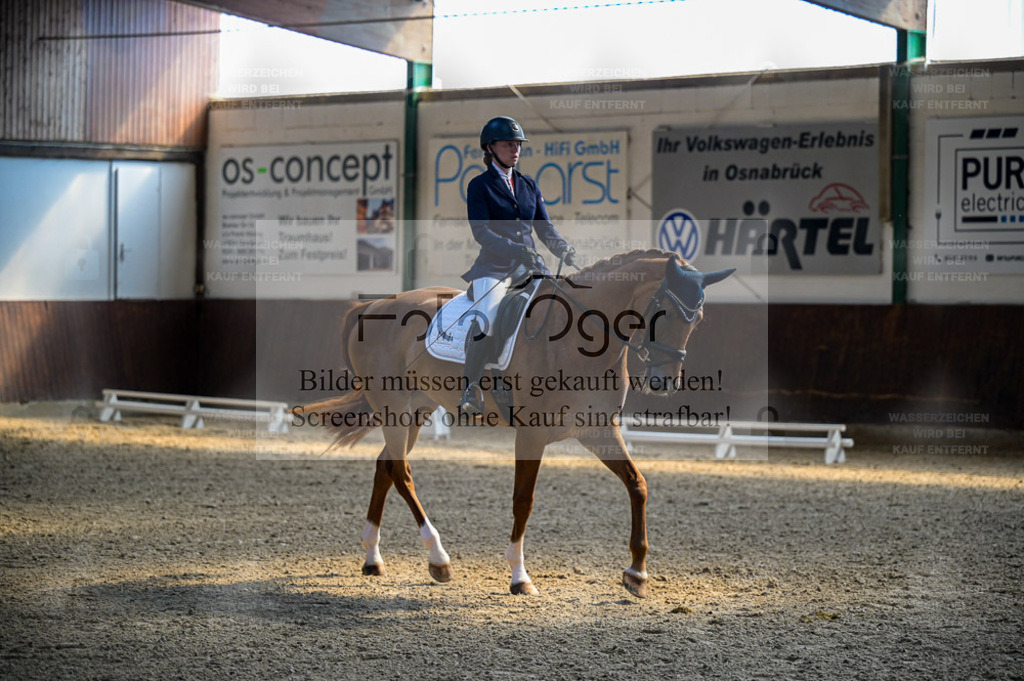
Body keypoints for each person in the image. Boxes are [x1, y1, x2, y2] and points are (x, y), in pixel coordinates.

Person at [457, 116, 576, 415]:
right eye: (509, 144)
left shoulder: (528, 185)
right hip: (494, 268)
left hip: (531, 266)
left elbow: (545, 229)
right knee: (488, 316)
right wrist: (515, 250)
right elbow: (481, 231)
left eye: (518, 144)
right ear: (491, 148)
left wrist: (563, 248)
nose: (515, 149)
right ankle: (471, 388)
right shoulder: (479, 186)